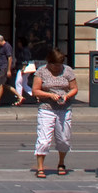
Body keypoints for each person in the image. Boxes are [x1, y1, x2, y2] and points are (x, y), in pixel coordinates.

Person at [32, 48, 78, 178]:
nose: (58, 68)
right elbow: (35, 90)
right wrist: (50, 95)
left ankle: (61, 163)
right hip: (47, 108)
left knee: (64, 139)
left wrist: (67, 96)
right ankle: (40, 167)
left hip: (64, 108)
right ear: (49, 63)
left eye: (59, 65)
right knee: (44, 140)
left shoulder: (67, 70)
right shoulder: (41, 71)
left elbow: (74, 88)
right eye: (55, 65)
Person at [0, 34, 16, 106]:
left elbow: (9, 58)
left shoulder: (7, 46)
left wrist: (8, 70)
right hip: (2, 66)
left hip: (5, 67)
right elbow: (2, 58)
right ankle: (20, 96)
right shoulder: (2, 47)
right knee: (5, 85)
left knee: (0, 84)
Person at [14, 37, 34, 105]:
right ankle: (34, 94)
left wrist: (23, 67)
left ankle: (19, 97)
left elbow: (26, 59)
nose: (18, 44)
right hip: (23, 68)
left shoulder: (25, 50)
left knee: (18, 82)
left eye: (19, 42)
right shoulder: (24, 50)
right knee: (24, 83)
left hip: (23, 68)